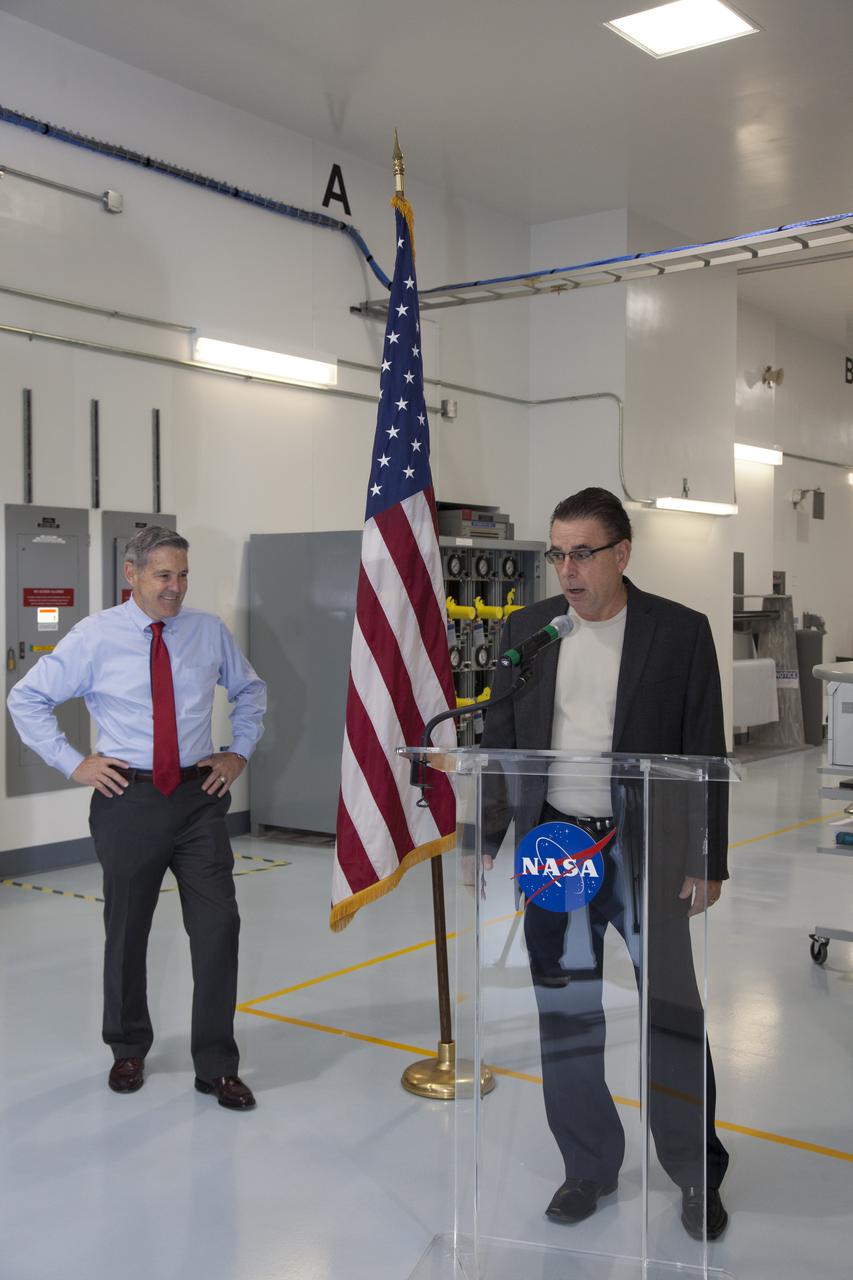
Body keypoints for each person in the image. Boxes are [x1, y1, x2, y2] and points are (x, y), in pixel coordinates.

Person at [480, 487, 730, 1241]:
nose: (566, 569)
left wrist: (707, 857)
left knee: (672, 1013)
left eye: (581, 553)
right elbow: (499, 744)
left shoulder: (677, 633)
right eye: (557, 553)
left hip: (642, 848)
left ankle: (694, 1173)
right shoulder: (529, 632)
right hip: (555, 848)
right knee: (566, 1011)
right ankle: (587, 1165)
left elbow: (704, 750)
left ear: (621, 554)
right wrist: (482, 843)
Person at [7, 526, 266, 1110]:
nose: (175, 589)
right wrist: (75, 764)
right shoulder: (94, 637)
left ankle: (217, 1065)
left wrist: (239, 749)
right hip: (130, 799)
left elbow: (251, 691)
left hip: (199, 799)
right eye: (162, 576)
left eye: (182, 576)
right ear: (132, 575)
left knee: (219, 928)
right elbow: (26, 698)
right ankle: (127, 1048)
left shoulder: (207, 632)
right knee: (127, 931)